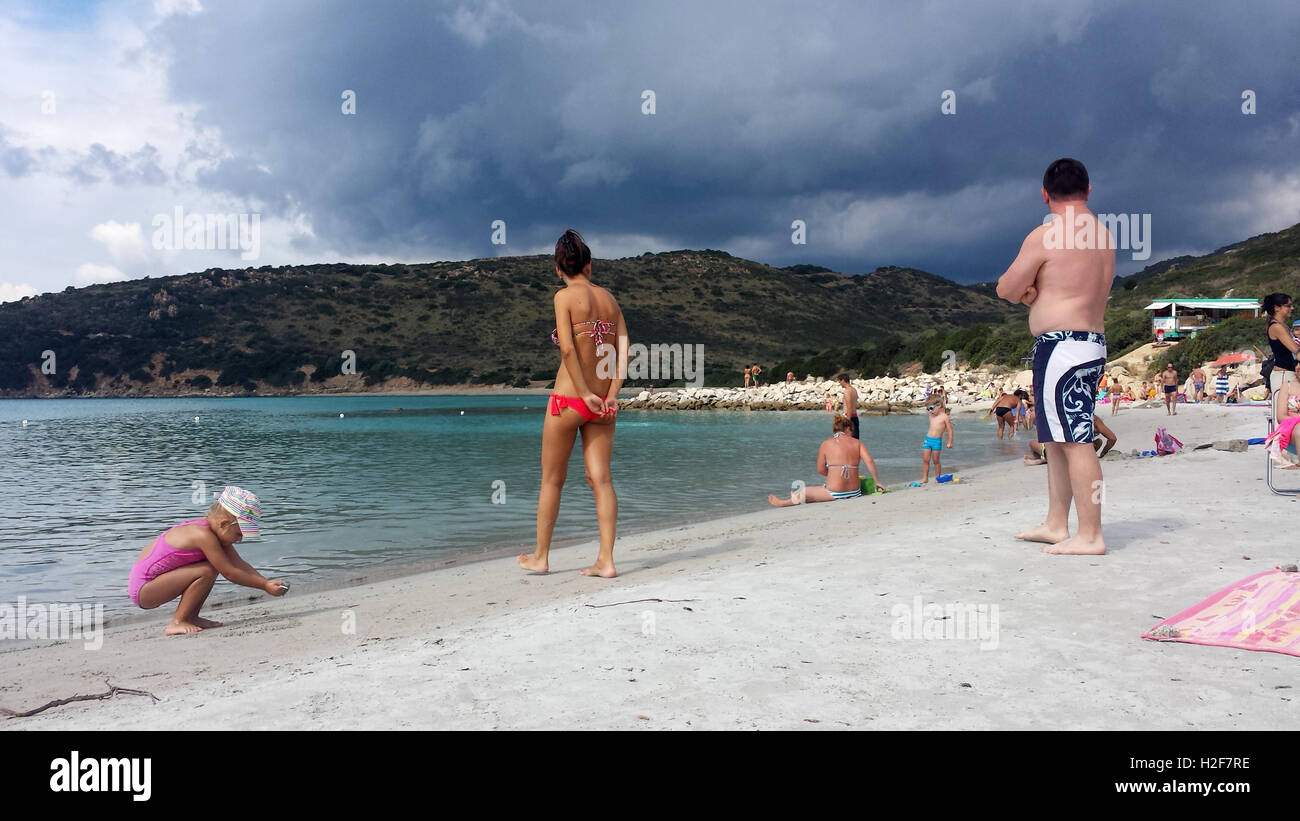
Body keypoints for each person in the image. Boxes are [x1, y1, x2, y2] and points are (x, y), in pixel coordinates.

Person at [995, 157, 1113, 555]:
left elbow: (1006, 289)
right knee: (1057, 438)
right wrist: (1038, 290)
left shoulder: (1046, 235)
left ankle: (1091, 534)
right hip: (1089, 342)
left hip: (1062, 347)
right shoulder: (1103, 235)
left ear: (1045, 194)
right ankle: (1056, 523)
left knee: (1076, 440)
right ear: (1088, 191)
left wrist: (1029, 292)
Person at [519, 229, 627, 578]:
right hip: (603, 405)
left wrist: (583, 394)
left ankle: (541, 557)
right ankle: (606, 561)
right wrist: (610, 395)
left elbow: (567, 350)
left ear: (558, 269)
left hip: (570, 400)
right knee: (602, 480)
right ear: (590, 266)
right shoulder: (610, 300)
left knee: (552, 479)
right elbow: (623, 352)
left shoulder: (563, 297)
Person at [128, 486, 286, 635]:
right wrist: (263, 586)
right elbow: (230, 572)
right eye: (239, 534)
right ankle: (178, 621)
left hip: (154, 586)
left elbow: (239, 564)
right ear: (223, 524)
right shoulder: (203, 536)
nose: (240, 540)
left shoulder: (214, 534)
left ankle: (191, 617)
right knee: (207, 570)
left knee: (209, 569)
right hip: (145, 590)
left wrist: (266, 582)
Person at [768, 414, 883, 505]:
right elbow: (869, 461)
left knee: (796, 491)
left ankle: (785, 503)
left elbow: (820, 469)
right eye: (851, 432)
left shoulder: (826, 444)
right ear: (848, 429)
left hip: (836, 493)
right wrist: (877, 481)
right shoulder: (858, 443)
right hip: (855, 492)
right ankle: (809, 498)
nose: (852, 434)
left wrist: (834, 475)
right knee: (811, 494)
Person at [921, 400, 955, 483]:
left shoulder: (944, 417)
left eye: (932, 408)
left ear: (939, 406)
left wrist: (950, 442)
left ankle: (937, 478)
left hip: (936, 441)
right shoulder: (931, 415)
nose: (930, 410)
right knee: (925, 460)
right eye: (929, 409)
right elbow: (930, 409)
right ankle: (925, 478)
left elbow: (950, 430)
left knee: (936, 461)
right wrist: (931, 408)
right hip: (928, 440)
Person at [837, 373, 860, 439]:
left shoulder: (847, 391)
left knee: (847, 441)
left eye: (839, 381)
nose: (839, 383)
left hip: (849, 417)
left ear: (843, 380)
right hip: (855, 417)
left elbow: (849, 407)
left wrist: (847, 422)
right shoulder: (854, 390)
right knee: (855, 441)